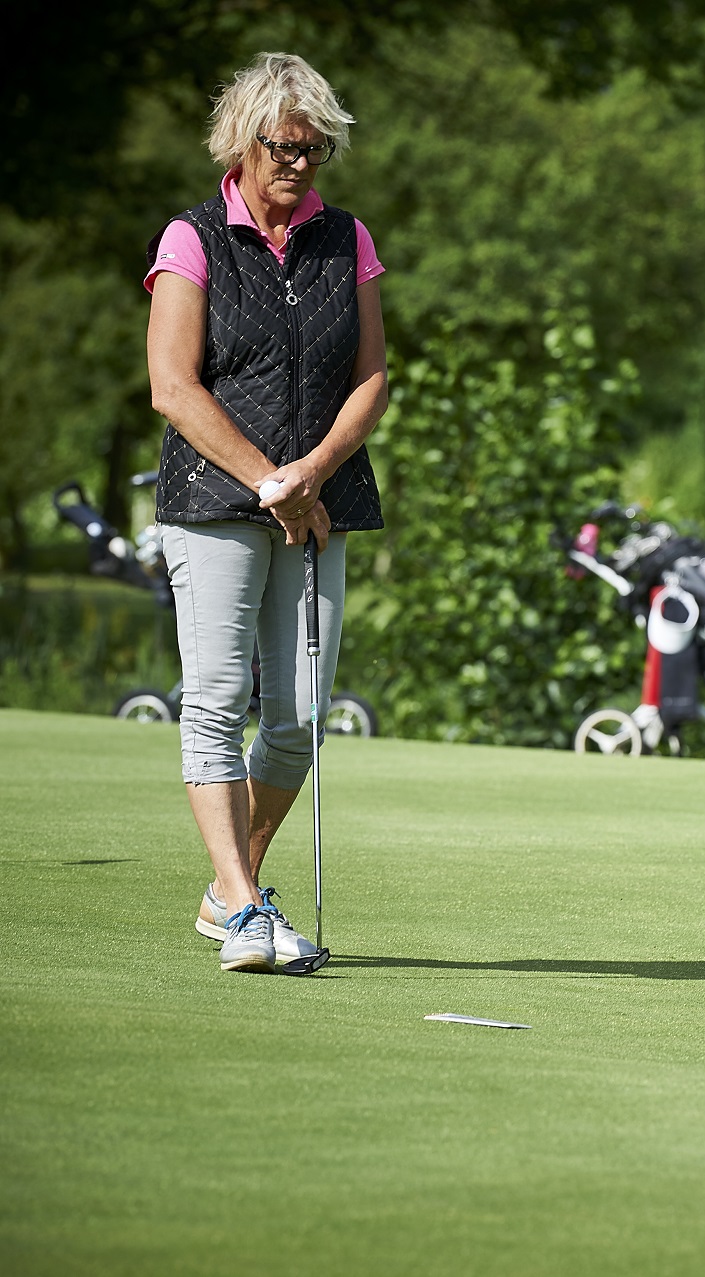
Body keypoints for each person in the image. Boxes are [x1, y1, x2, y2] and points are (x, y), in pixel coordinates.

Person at [144, 52, 388, 975]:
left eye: (316, 150)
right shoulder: (194, 237)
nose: (301, 166)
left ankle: (228, 885)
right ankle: (246, 910)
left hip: (319, 500)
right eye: (287, 147)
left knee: (297, 715)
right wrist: (268, 480)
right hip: (213, 503)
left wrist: (313, 472)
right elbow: (173, 385)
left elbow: (371, 375)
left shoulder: (347, 240)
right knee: (214, 701)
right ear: (245, 142)